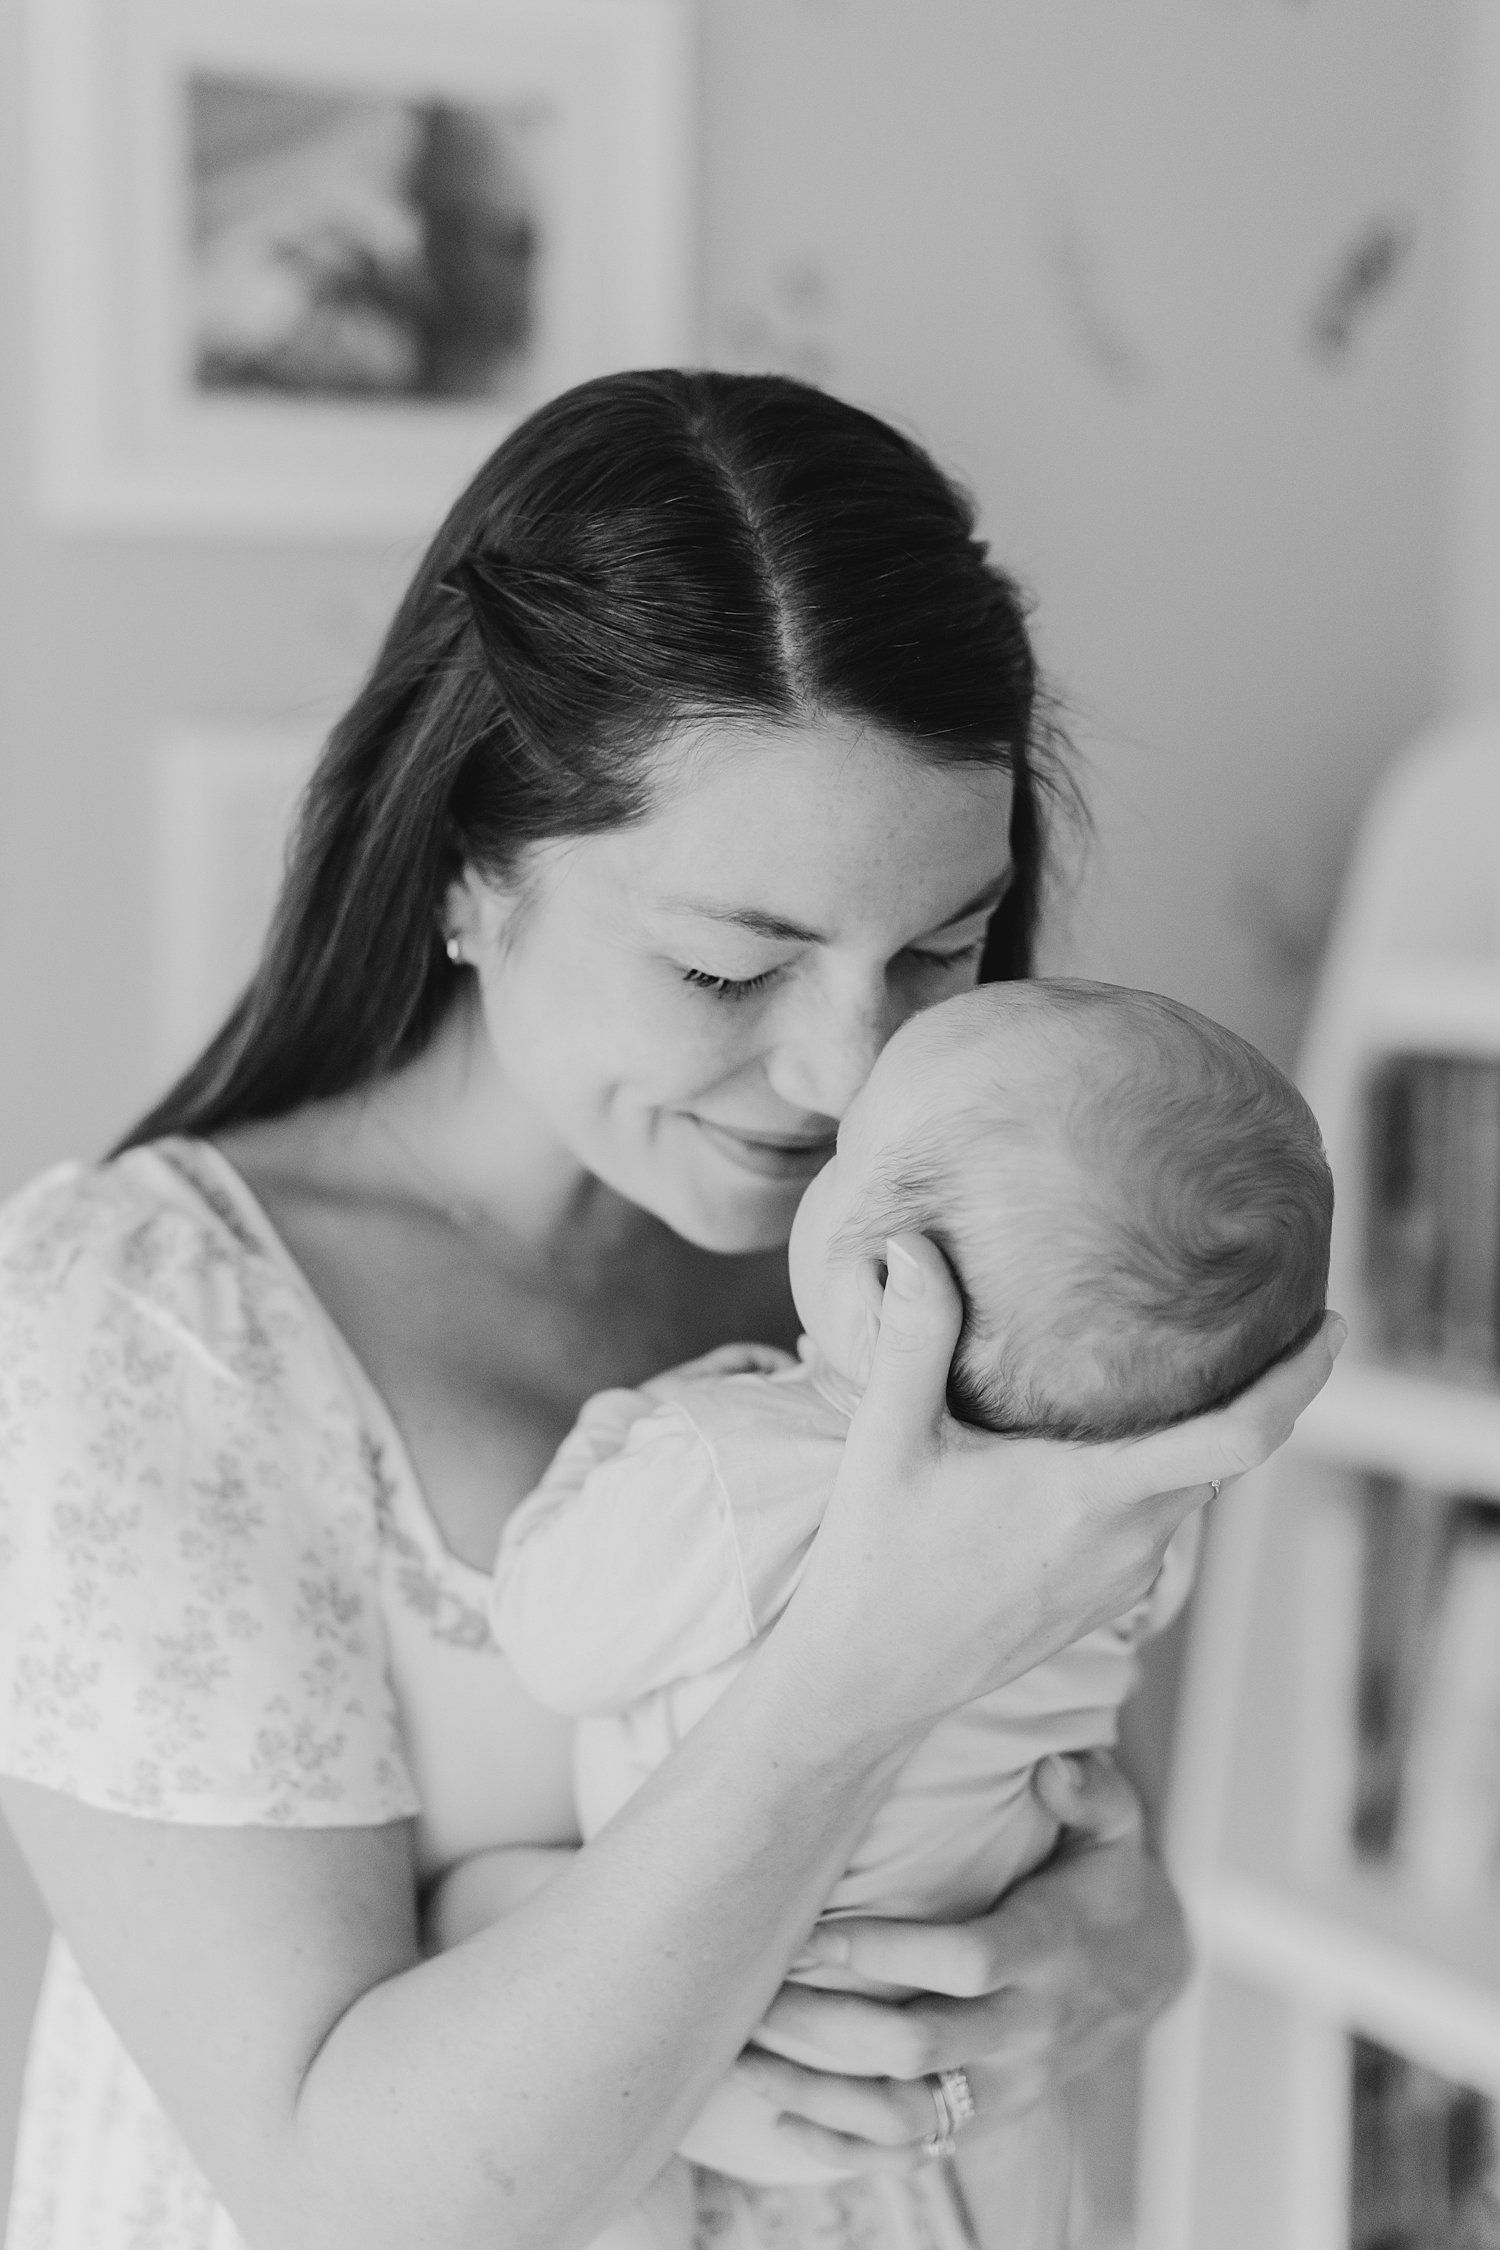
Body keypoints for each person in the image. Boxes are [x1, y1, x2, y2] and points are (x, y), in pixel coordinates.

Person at [0, 370, 1342, 2250]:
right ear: (473, 873)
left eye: (940, 948)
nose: (843, 1069)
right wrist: (848, 1677)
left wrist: (1118, 1948)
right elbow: (344, 2190)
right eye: (730, 966)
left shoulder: (949, 1250)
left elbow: (1056, 1813)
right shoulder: (153, 1331)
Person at [475, 977, 1334, 2241]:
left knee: (480, 1910)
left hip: (724, 2038)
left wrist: (653, 1416)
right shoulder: (1127, 1531)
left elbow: (547, 1632)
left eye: (846, 1149)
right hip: (974, 2064)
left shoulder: (738, 1462)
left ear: (887, 1289)